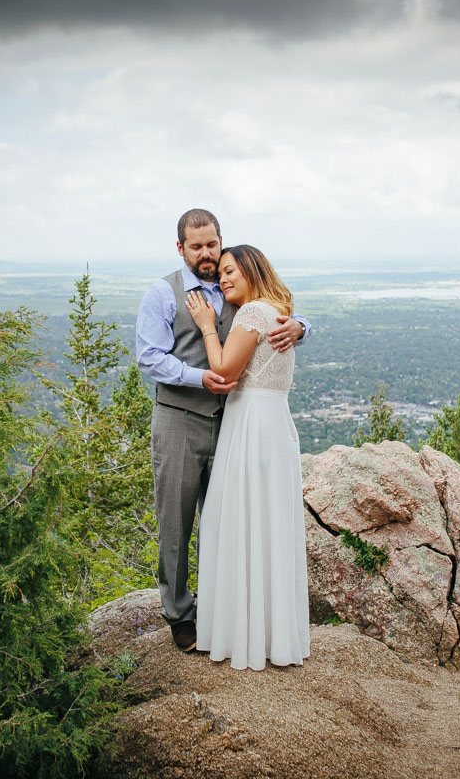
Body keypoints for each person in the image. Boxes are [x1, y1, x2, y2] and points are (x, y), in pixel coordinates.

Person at [136, 209, 309, 652]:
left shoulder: (236, 289)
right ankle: (178, 615)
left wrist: (302, 326)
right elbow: (149, 357)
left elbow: (271, 314)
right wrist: (199, 379)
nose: (207, 254)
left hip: (234, 426)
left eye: (212, 244)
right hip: (179, 420)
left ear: (220, 242)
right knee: (175, 522)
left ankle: (219, 609)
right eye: (196, 247)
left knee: (225, 521)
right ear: (181, 249)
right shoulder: (163, 293)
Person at [183, 245, 310, 670]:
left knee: (240, 522)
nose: (223, 279)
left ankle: (242, 634)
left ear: (252, 270)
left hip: (252, 424)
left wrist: (205, 325)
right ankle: (271, 634)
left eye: (230, 271)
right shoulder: (277, 310)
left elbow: (222, 370)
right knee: (268, 526)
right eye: (220, 274)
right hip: (272, 423)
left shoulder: (253, 313)